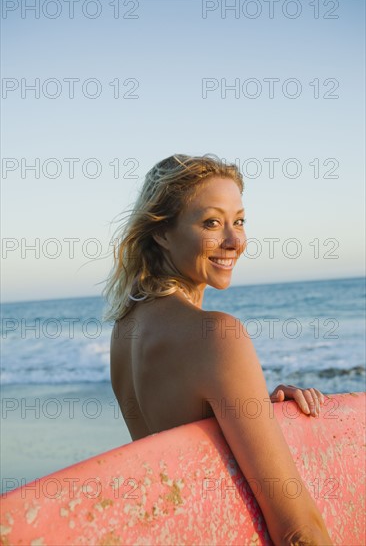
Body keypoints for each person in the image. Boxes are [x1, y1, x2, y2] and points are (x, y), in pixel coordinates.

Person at [103, 154, 332, 545]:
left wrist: (257, 408)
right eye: (211, 222)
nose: (234, 240)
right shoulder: (217, 336)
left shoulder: (124, 332)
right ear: (161, 232)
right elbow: (297, 532)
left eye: (239, 221)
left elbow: (183, 450)